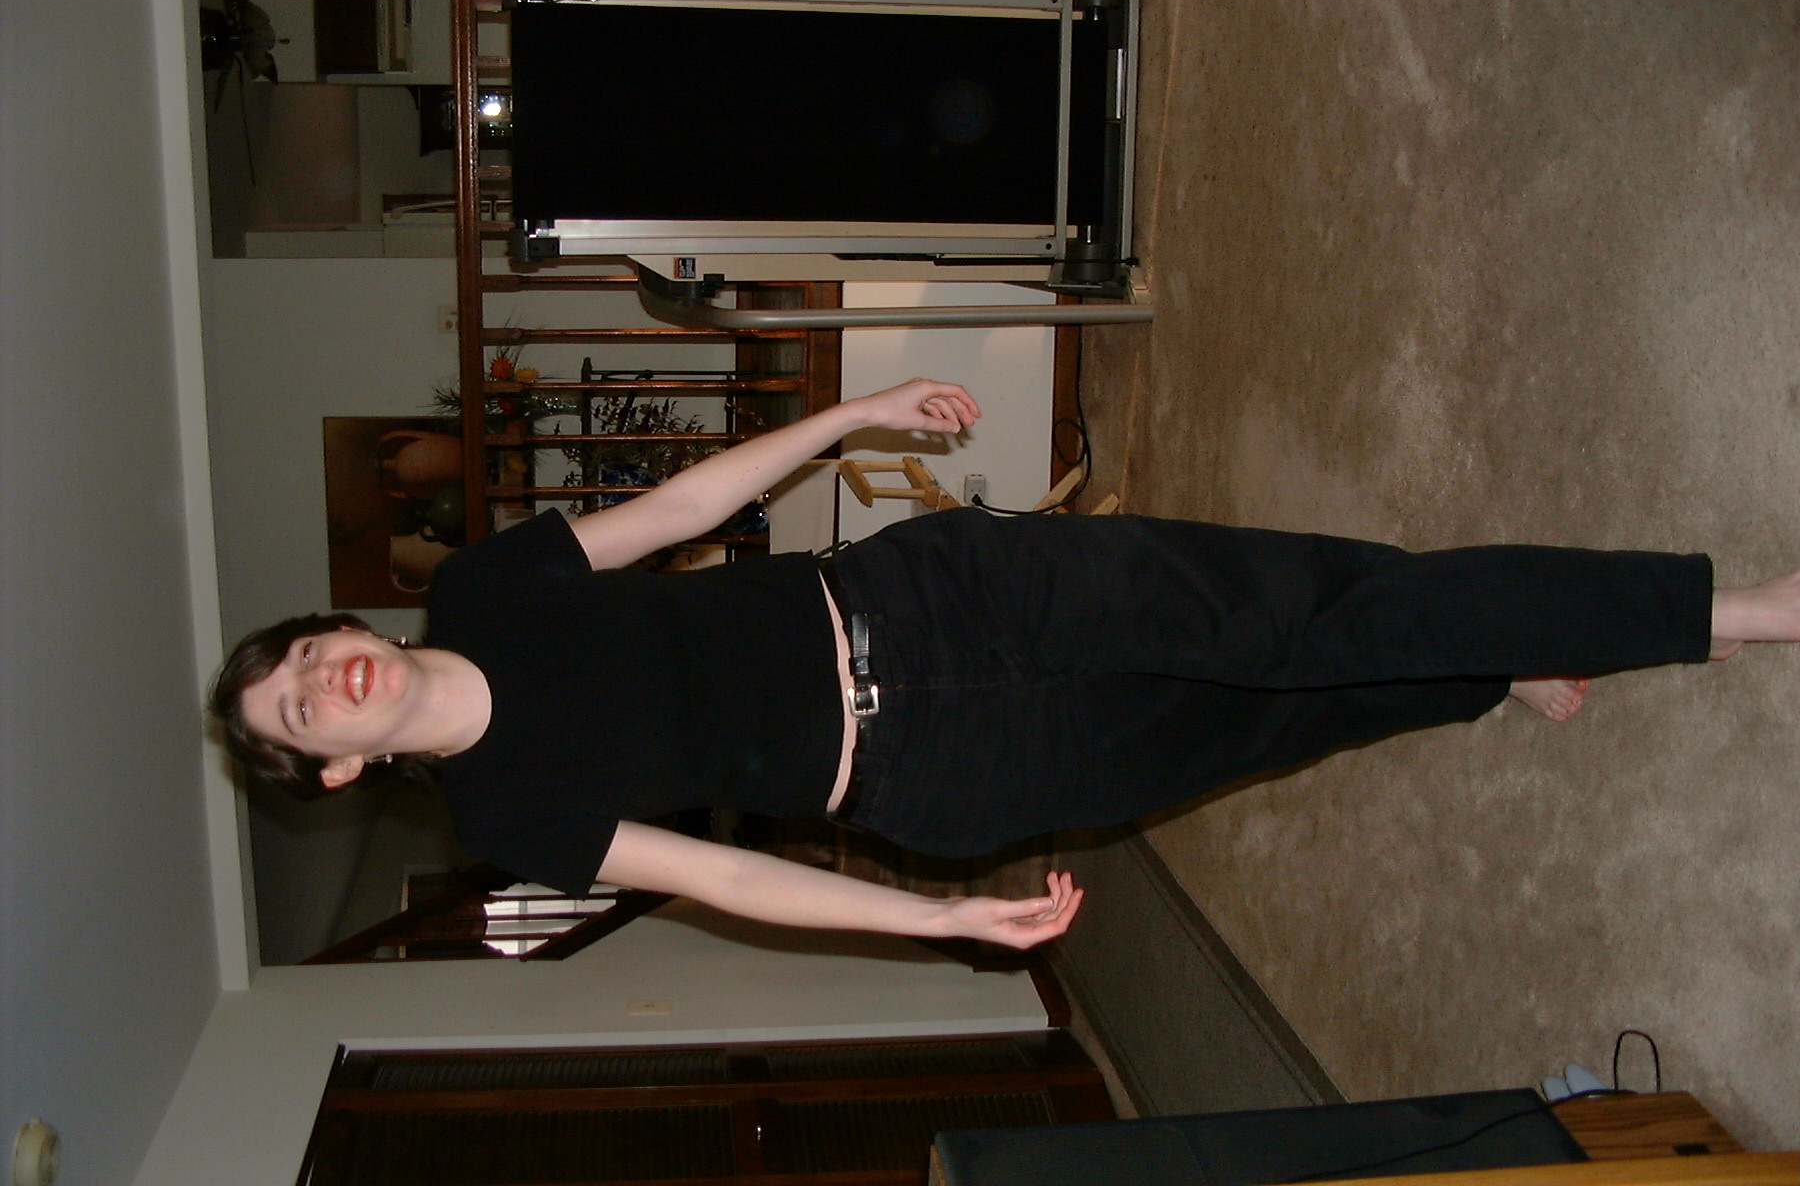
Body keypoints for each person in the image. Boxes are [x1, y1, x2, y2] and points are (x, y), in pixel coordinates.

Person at [212, 378, 1800, 950]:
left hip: (943, 601)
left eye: (303, 654)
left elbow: (680, 512)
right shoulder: (508, 819)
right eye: (297, 710)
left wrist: (851, 418)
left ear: (340, 632)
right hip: (946, 775)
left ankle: (1730, 612)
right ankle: (1484, 665)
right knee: (1280, 718)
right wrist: (942, 920)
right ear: (337, 767)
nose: (322, 676)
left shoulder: (487, 586)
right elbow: (728, 879)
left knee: (1297, 611)